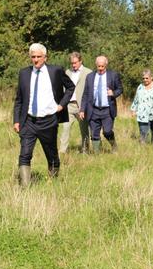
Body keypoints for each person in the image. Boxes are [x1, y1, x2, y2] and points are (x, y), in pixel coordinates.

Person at [12, 43, 75, 187]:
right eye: (33, 57)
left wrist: (62, 105)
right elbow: (19, 99)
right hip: (28, 121)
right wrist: (16, 120)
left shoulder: (56, 71)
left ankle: (54, 181)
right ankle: (25, 188)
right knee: (25, 154)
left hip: (48, 120)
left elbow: (70, 87)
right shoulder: (24, 73)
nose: (35, 60)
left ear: (45, 57)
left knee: (51, 154)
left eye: (38, 57)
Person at [79, 56, 123, 153]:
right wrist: (82, 109)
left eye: (102, 66)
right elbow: (85, 94)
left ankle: (113, 145)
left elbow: (120, 89)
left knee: (107, 131)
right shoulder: (90, 76)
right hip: (93, 109)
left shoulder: (113, 75)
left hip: (107, 109)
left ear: (106, 65)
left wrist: (113, 93)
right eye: (98, 66)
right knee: (94, 134)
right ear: (96, 65)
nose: (100, 68)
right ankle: (97, 155)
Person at [59, 52, 93, 153]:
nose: (73, 65)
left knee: (84, 130)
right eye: (72, 63)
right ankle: (62, 151)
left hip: (81, 106)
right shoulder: (67, 72)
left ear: (80, 61)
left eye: (75, 63)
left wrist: (86, 106)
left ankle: (85, 150)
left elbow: (90, 90)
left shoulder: (88, 72)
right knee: (65, 128)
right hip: (69, 105)